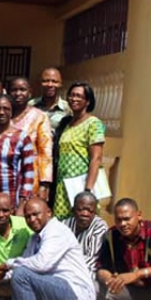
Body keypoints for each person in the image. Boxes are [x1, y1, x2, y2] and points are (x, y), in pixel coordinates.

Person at [1, 199, 96, 300]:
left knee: (21, 275)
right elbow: (25, 264)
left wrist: (8, 264)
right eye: (28, 216)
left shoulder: (56, 231)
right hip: (55, 297)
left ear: (49, 213)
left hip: (76, 295)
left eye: (36, 214)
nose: (32, 219)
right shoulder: (34, 239)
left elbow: (40, 264)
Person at [53, 82, 105, 219]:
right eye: (71, 95)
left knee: (82, 224)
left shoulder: (94, 124)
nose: (73, 99)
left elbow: (96, 158)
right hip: (62, 186)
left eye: (78, 96)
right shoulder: (66, 123)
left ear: (87, 101)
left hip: (81, 184)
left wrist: (87, 190)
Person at [63, 191, 109, 300]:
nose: (85, 213)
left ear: (94, 211)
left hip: (90, 274)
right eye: (80, 209)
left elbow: (90, 261)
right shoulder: (64, 225)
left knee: (90, 287)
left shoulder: (99, 226)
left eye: (89, 210)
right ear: (73, 209)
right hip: (66, 271)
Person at [9, 77, 53, 200]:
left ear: (30, 92)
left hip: (30, 178)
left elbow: (45, 152)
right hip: (5, 177)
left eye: (22, 89)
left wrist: (44, 184)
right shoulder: (4, 114)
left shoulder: (39, 117)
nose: (18, 93)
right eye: (14, 90)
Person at [29, 67, 71, 131]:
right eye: (45, 81)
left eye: (54, 81)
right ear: (40, 83)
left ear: (60, 84)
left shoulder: (68, 109)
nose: (50, 85)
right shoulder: (31, 106)